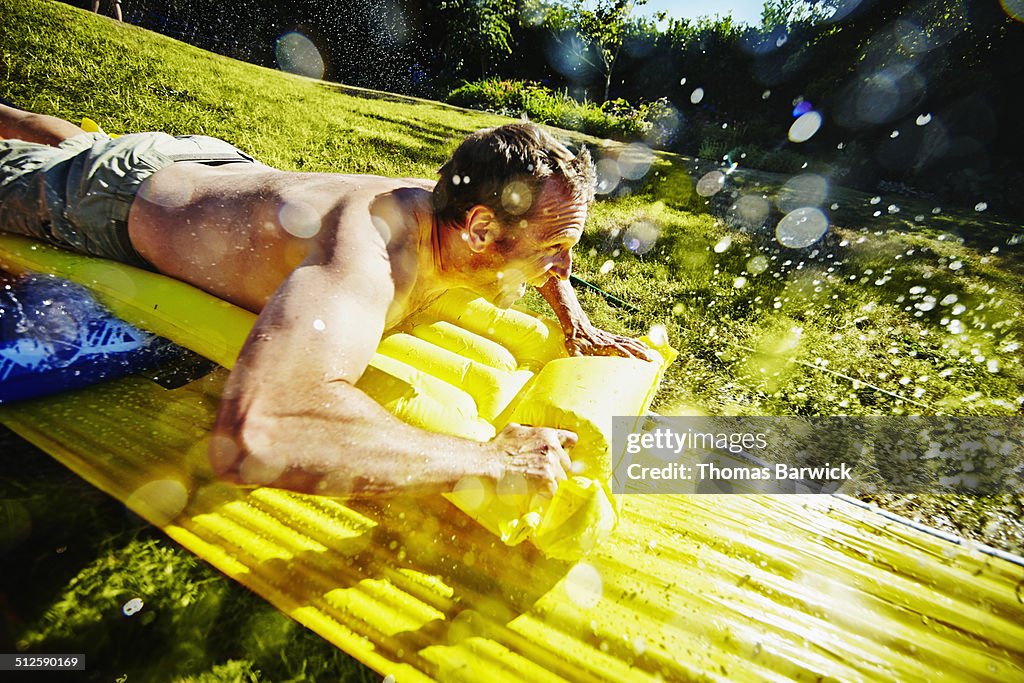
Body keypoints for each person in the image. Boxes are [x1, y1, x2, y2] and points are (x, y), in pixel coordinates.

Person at [0, 103, 654, 499]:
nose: (564, 268)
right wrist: (489, 459)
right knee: (67, 160)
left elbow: (541, 241)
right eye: (556, 249)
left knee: (77, 139)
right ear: (481, 228)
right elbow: (257, 432)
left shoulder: (453, 204)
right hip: (107, 200)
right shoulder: (367, 261)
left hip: (210, 164)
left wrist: (576, 320)